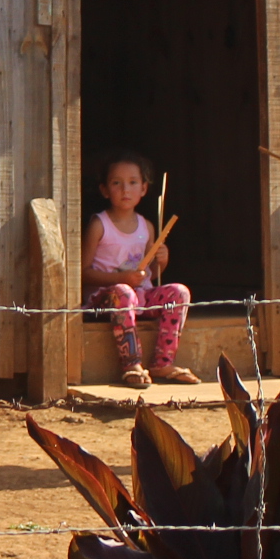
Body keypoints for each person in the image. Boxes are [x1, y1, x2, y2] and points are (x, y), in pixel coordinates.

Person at [83, 151, 200, 390]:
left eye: (133, 182)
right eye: (117, 183)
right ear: (105, 190)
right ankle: (131, 365)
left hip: (141, 297)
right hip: (107, 299)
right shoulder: (99, 225)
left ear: (144, 189)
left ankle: (163, 362)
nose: (126, 189)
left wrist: (162, 262)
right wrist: (121, 279)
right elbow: (82, 273)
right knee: (124, 291)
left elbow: (150, 275)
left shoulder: (146, 226)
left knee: (179, 292)